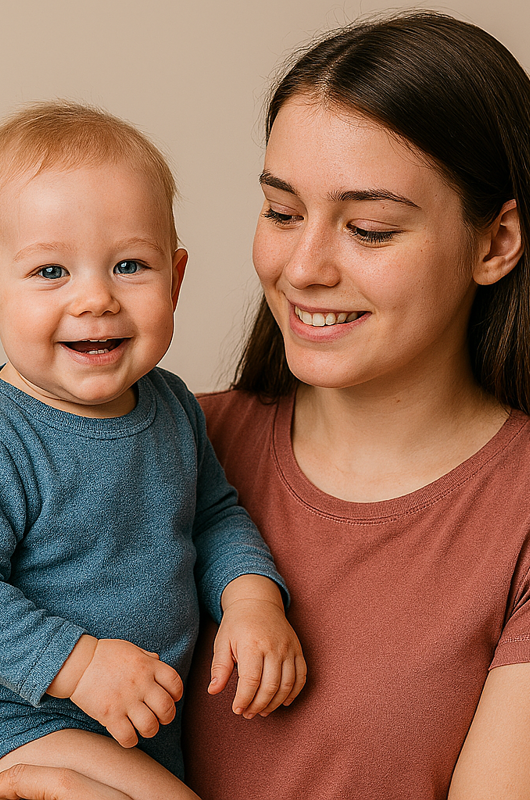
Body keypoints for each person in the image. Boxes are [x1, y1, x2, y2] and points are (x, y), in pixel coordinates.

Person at [4, 8, 530, 799]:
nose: (304, 266)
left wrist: (254, 598)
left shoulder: (172, 426)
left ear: (494, 244)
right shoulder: (163, 427)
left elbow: (218, 526)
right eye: (282, 213)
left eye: (371, 228)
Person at [0, 102, 306, 800]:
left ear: (177, 276)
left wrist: (253, 601)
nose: (96, 299)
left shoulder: (171, 405)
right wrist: (80, 666)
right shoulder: (8, 433)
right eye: (51, 271)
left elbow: (212, 518)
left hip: (140, 727)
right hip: (30, 721)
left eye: (130, 265)